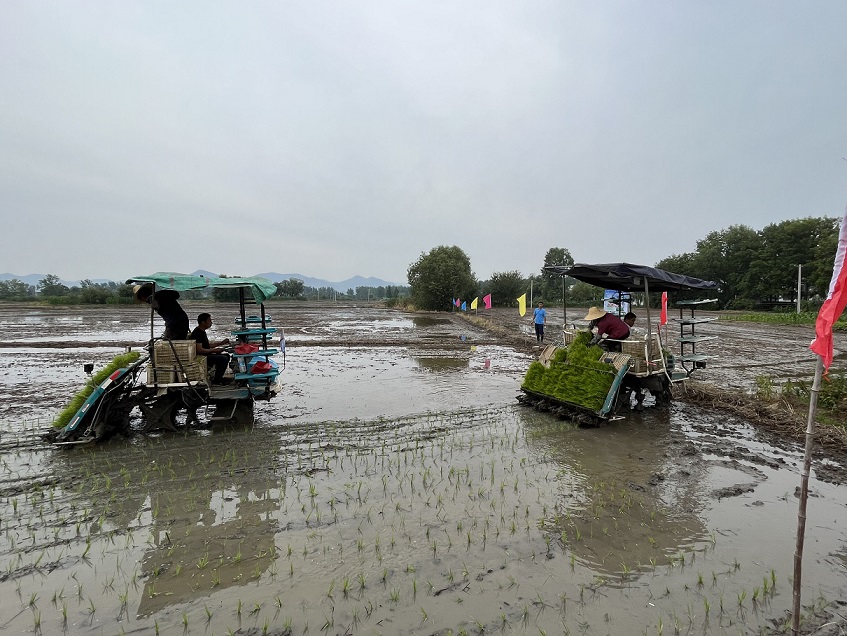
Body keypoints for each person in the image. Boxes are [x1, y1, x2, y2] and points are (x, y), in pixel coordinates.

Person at [191, 313, 231, 385]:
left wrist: (221, 343)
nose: (211, 322)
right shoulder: (197, 333)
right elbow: (199, 350)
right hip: (202, 357)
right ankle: (217, 380)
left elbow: (207, 345)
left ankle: (218, 377)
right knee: (223, 359)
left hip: (206, 354)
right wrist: (214, 350)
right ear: (203, 322)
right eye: (209, 320)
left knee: (227, 356)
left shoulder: (202, 331)